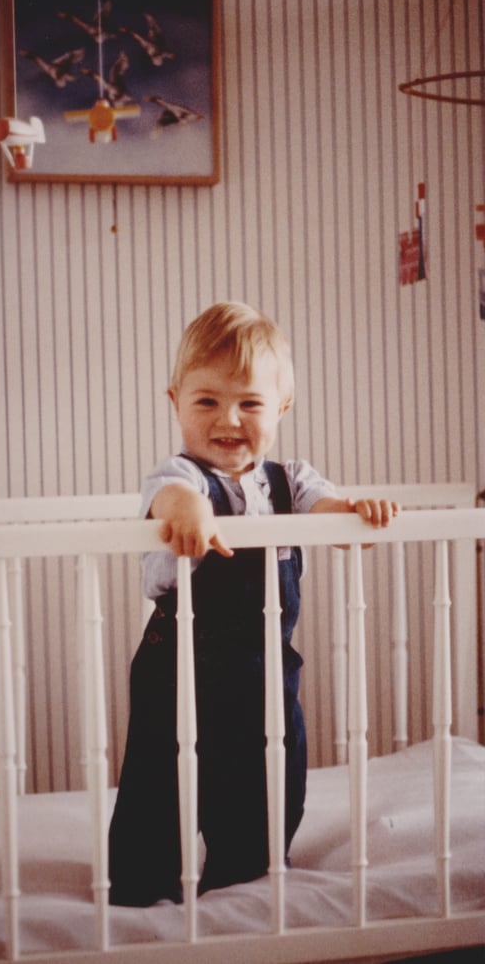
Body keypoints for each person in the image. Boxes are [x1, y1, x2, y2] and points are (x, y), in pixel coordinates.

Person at [108, 302, 399, 907]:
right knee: (159, 788)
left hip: (264, 675)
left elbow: (330, 513)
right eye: (207, 401)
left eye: (250, 403)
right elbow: (168, 497)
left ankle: (244, 882)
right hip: (178, 673)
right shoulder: (179, 476)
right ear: (175, 400)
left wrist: (357, 511)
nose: (229, 419)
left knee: (270, 782)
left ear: (282, 407)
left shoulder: (293, 480)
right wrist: (187, 512)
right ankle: (140, 885)